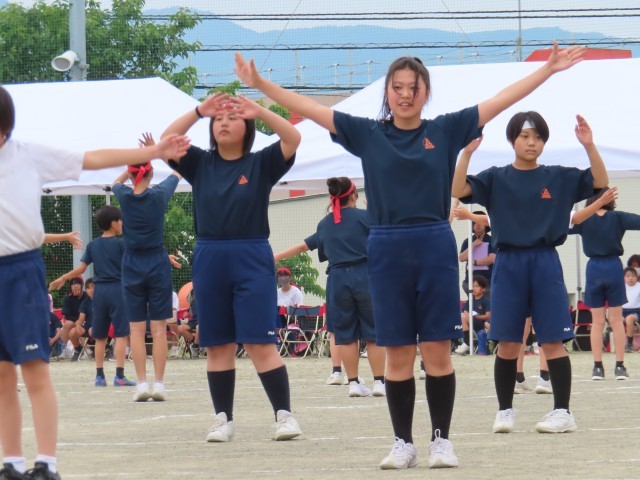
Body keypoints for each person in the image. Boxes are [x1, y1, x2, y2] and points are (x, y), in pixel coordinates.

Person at [235, 41, 585, 468]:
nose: (405, 94)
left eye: (413, 87)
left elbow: (500, 100)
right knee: (398, 352)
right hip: (385, 247)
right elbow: (310, 109)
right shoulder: (368, 133)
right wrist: (260, 83)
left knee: (437, 350)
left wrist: (547, 69)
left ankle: (441, 440)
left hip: (435, 244)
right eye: (397, 87)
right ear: (387, 92)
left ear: (425, 92)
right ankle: (403, 442)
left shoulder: (445, 130)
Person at [0, 85, 188, 480]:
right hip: (127, 270)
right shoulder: (149, 198)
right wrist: (151, 157)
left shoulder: (27, 155)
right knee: (2, 374)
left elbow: (94, 159)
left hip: (22, 270)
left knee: (36, 367)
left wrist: (150, 153)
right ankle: (12, 462)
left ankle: (46, 463)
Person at [452, 111, 608, 435]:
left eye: (537, 137)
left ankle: (563, 411)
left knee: (553, 341)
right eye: (524, 136)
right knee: (508, 343)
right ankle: (505, 410)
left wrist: (590, 146)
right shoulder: (495, 177)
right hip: (507, 262)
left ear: (544, 142)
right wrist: (466, 152)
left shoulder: (558, 176)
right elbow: (458, 187)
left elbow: (599, 181)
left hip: (545, 261)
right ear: (512, 140)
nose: (531, 142)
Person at [162, 87, 302, 443]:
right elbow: (165, 141)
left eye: (231, 118)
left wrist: (258, 109)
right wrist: (198, 111)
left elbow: (293, 136)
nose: (222, 124)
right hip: (209, 255)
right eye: (217, 120)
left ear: (248, 127)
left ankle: (284, 416)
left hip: (251, 254)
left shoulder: (261, 162)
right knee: (218, 344)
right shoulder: (199, 163)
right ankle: (223, 419)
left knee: (259, 343)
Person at [274, 177, 386, 398]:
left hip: (337, 279)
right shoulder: (366, 218)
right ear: (353, 195)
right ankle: (379, 383)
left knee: (344, 334)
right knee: (374, 333)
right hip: (366, 276)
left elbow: (303, 246)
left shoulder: (325, 223)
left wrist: (273, 257)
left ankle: (353, 383)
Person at [111, 132, 182, 402]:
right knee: (159, 328)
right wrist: (155, 151)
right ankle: (159, 385)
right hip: (156, 261)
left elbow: (115, 182)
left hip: (132, 263)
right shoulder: (159, 195)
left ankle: (141, 384)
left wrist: (131, 165)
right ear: (151, 174)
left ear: (131, 176)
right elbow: (178, 171)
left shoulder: (124, 195)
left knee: (136, 330)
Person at [50, 206, 135, 388]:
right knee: (121, 334)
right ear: (113, 223)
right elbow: (134, 262)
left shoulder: (92, 245)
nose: (122, 224)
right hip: (117, 290)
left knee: (100, 335)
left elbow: (81, 269)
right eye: (120, 221)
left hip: (99, 292)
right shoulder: (122, 244)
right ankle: (119, 375)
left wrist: (63, 278)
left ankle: (99, 376)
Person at [569, 186, 640, 380]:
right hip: (613, 267)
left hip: (594, 268)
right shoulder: (618, 217)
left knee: (597, 321)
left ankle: (597, 368)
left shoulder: (582, 219)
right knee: (616, 321)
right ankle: (619, 366)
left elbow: (559, 226)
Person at [458, 212, 494, 293]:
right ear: (472, 226)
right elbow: (461, 258)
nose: (478, 225)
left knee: (487, 304)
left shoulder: (491, 240)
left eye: (481, 222)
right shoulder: (467, 241)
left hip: (487, 282)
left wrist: (474, 262)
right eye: (475, 223)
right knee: (472, 304)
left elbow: (492, 258)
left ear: (486, 225)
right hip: (469, 282)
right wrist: (473, 245)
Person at [454, 276, 490, 355]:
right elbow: (465, 311)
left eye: (477, 286)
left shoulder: (485, 301)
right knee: (461, 318)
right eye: (473, 286)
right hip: (470, 322)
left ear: (483, 289)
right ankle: (463, 343)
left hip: (480, 324)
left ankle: (467, 343)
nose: (474, 288)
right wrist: (466, 313)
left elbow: (488, 316)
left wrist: (477, 316)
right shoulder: (469, 300)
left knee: (463, 319)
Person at [60, 277, 87, 359]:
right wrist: (77, 321)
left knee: (76, 328)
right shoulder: (68, 298)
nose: (75, 286)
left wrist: (79, 298)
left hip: (86, 320)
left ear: (82, 285)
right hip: (74, 321)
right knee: (67, 324)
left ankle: (85, 350)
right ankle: (64, 350)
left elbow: (88, 312)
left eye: (77, 283)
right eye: (73, 284)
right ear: (70, 287)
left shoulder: (87, 296)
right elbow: (67, 315)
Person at [622, 268, 640, 353]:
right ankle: (609, 341)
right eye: (628, 276)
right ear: (624, 277)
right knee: (616, 319)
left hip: (635, 311)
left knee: (629, 319)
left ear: (637, 277)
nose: (630, 278)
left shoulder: (639, 286)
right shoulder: (621, 287)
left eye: (633, 276)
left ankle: (629, 344)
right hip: (622, 311)